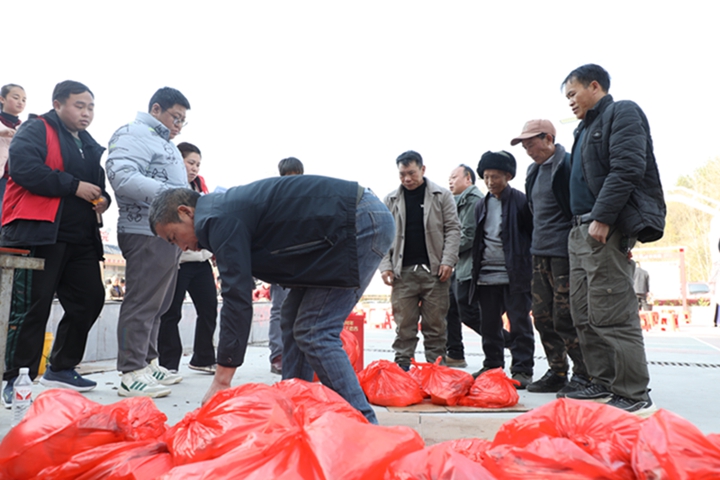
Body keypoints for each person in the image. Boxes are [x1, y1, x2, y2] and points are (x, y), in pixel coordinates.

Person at [148, 175, 394, 424]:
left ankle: (365, 425)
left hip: (359, 223)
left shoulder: (217, 219)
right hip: (342, 229)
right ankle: (295, 408)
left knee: (314, 330)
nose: (182, 247)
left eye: (173, 237)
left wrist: (222, 380)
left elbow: (237, 299)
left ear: (186, 212)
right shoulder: (221, 213)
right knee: (292, 318)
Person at [562, 64, 665, 416]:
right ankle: (602, 381)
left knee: (612, 310)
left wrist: (604, 217)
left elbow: (627, 168)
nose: (570, 103)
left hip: (602, 226)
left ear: (595, 86)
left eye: (573, 94)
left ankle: (633, 390)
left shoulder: (622, 112)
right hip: (580, 230)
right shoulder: (583, 128)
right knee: (585, 311)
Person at [0, 80, 109, 406]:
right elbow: (23, 169)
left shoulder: (88, 143)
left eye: (90, 107)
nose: (86, 113)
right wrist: (73, 185)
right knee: (33, 307)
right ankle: (16, 378)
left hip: (81, 238)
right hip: (40, 232)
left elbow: (99, 185)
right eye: (79, 105)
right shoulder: (37, 128)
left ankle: (61, 366)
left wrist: (104, 200)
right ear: (58, 104)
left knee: (90, 299)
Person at [106, 87, 191, 397]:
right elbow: (122, 175)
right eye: (175, 117)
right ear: (156, 109)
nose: (179, 125)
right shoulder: (133, 133)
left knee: (160, 302)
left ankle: (148, 360)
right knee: (142, 302)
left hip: (165, 230)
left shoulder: (161, 142)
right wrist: (174, 198)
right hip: (144, 229)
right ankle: (131, 371)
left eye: (183, 121)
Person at [511, 119, 589, 395]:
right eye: (525, 146)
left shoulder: (568, 165)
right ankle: (557, 371)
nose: (528, 150)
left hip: (564, 254)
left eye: (531, 144)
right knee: (542, 317)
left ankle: (584, 374)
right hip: (539, 253)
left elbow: (579, 205)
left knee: (565, 316)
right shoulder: (532, 171)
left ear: (548, 138)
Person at [380, 151, 461, 370]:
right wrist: (386, 266)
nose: (407, 179)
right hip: (402, 273)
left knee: (435, 327)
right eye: (402, 174)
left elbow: (453, 229)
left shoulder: (442, 196)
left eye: (412, 173)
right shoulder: (390, 199)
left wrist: (448, 260)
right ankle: (402, 368)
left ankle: (437, 370)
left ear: (423, 170)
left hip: (435, 272)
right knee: (404, 326)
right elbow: (382, 235)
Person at [470, 151, 535, 388]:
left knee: (519, 324)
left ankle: (522, 369)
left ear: (508, 176)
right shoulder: (480, 205)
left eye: (495, 176)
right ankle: (492, 365)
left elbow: (531, 235)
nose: (489, 182)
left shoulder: (521, 201)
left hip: (515, 275)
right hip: (486, 275)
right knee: (489, 325)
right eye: (486, 177)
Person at [158, 142, 217, 374]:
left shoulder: (200, 185)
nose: (194, 168)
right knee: (171, 312)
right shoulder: (169, 187)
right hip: (178, 261)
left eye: (198, 164)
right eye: (190, 162)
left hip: (201, 259)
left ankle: (202, 357)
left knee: (209, 308)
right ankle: (169, 363)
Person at [268, 156, 305, 375]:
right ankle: (278, 355)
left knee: (301, 309)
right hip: (280, 261)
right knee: (279, 309)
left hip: (302, 263)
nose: (292, 181)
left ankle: (297, 354)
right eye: (287, 177)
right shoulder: (273, 197)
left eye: (296, 177)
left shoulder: (308, 196)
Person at [444, 164, 483, 368]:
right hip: (458, 266)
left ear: (468, 179)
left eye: (454, 177)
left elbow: (468, 235)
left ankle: (508, 342)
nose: (450, 181)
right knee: (449, 308)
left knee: (468, 312)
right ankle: (456, 353)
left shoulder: (472, 200)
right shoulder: (458, 201)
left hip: (469, 267)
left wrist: (446, 251)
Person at [0, 84, 27, 216]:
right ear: (2, 99)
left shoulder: (26, 127)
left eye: (23, 99)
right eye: (16, 97)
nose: (20, 102)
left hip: (14, 181)